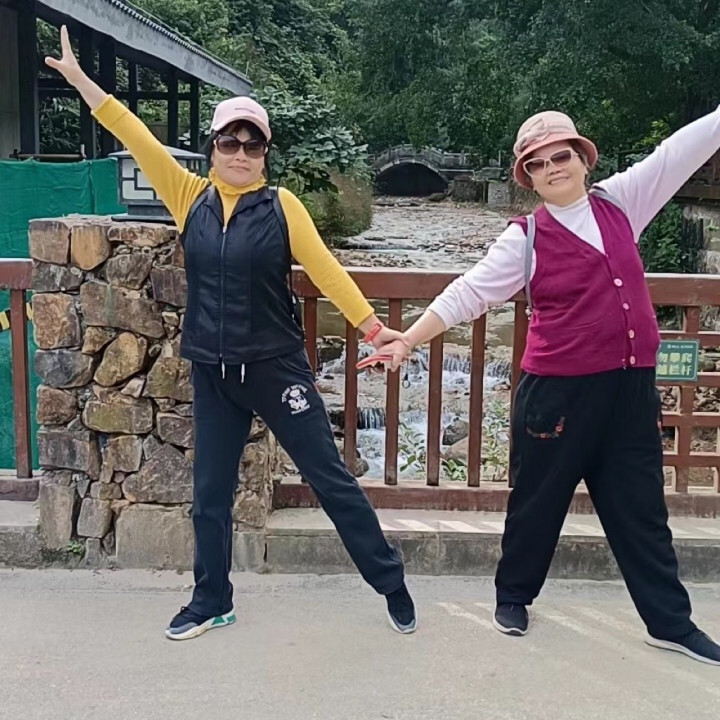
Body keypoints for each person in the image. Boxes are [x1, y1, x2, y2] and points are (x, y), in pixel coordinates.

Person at [45, 26, 417, 641]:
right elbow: (133, 134)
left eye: (252, 143)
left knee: (330, 480)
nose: (240, 153)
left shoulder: (282, 206)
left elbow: (327, 270)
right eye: (229, 141)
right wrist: (83, 81)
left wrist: (375, 329)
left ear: (264, 153)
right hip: (214, 371)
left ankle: (390, 582)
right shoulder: (187, 197)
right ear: (213, 147)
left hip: (276, 367)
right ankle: (211, 599)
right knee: (209, 497)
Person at [377, 106, 720, 665]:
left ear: (583, 159)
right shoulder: (527, 238)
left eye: (561, 155)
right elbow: (470, 292)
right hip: (557, 395)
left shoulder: (621, 202)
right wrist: (409, 339)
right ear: (529, 178)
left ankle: (670, 623)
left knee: (642, 513)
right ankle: (513, 597)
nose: (552, 167)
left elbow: (679, 151)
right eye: (537, 163)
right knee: (538, 503)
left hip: (629, 391)